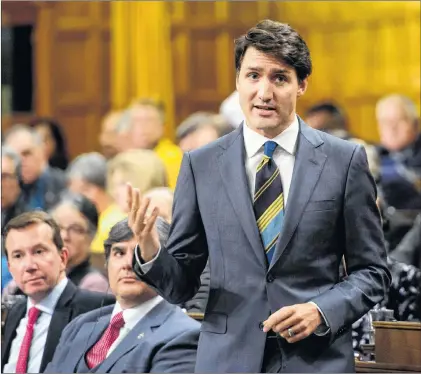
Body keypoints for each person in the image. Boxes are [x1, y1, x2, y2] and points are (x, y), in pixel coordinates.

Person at [128, 19, 390, 373]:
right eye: (253, 76)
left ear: (302, 85)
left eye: (279, 78)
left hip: (315, 360)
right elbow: (181, 286)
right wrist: (149, 249)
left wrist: (321, 310)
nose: (264, 93)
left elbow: (372, 272)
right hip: (227, 360)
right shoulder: (200, 164)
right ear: (237, 81)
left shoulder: (344, 161)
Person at [45, 218, 200, 373]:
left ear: (164, 264)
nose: (128, 263)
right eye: (119, 253)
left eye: (140, 253)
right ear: (106, 264)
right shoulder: (78, 326)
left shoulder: (183, 334)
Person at [1, 211, 115, 373]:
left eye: (39, 251)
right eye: (18, 255)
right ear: (11, 268)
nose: (29, 265)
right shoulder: (14, 312)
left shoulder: (98, 310)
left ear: (62, 258)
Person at [50, 193, 110, 292]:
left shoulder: (94, 284)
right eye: (58, 227)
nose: (64, 236)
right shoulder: (39, 275)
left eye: (75, 229)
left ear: (91, 237)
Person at [3, 125, 67, 211]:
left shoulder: (63, 183)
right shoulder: (5, 188)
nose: (20, 161)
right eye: (13, 156)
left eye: (26, 153)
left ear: (42, 152)